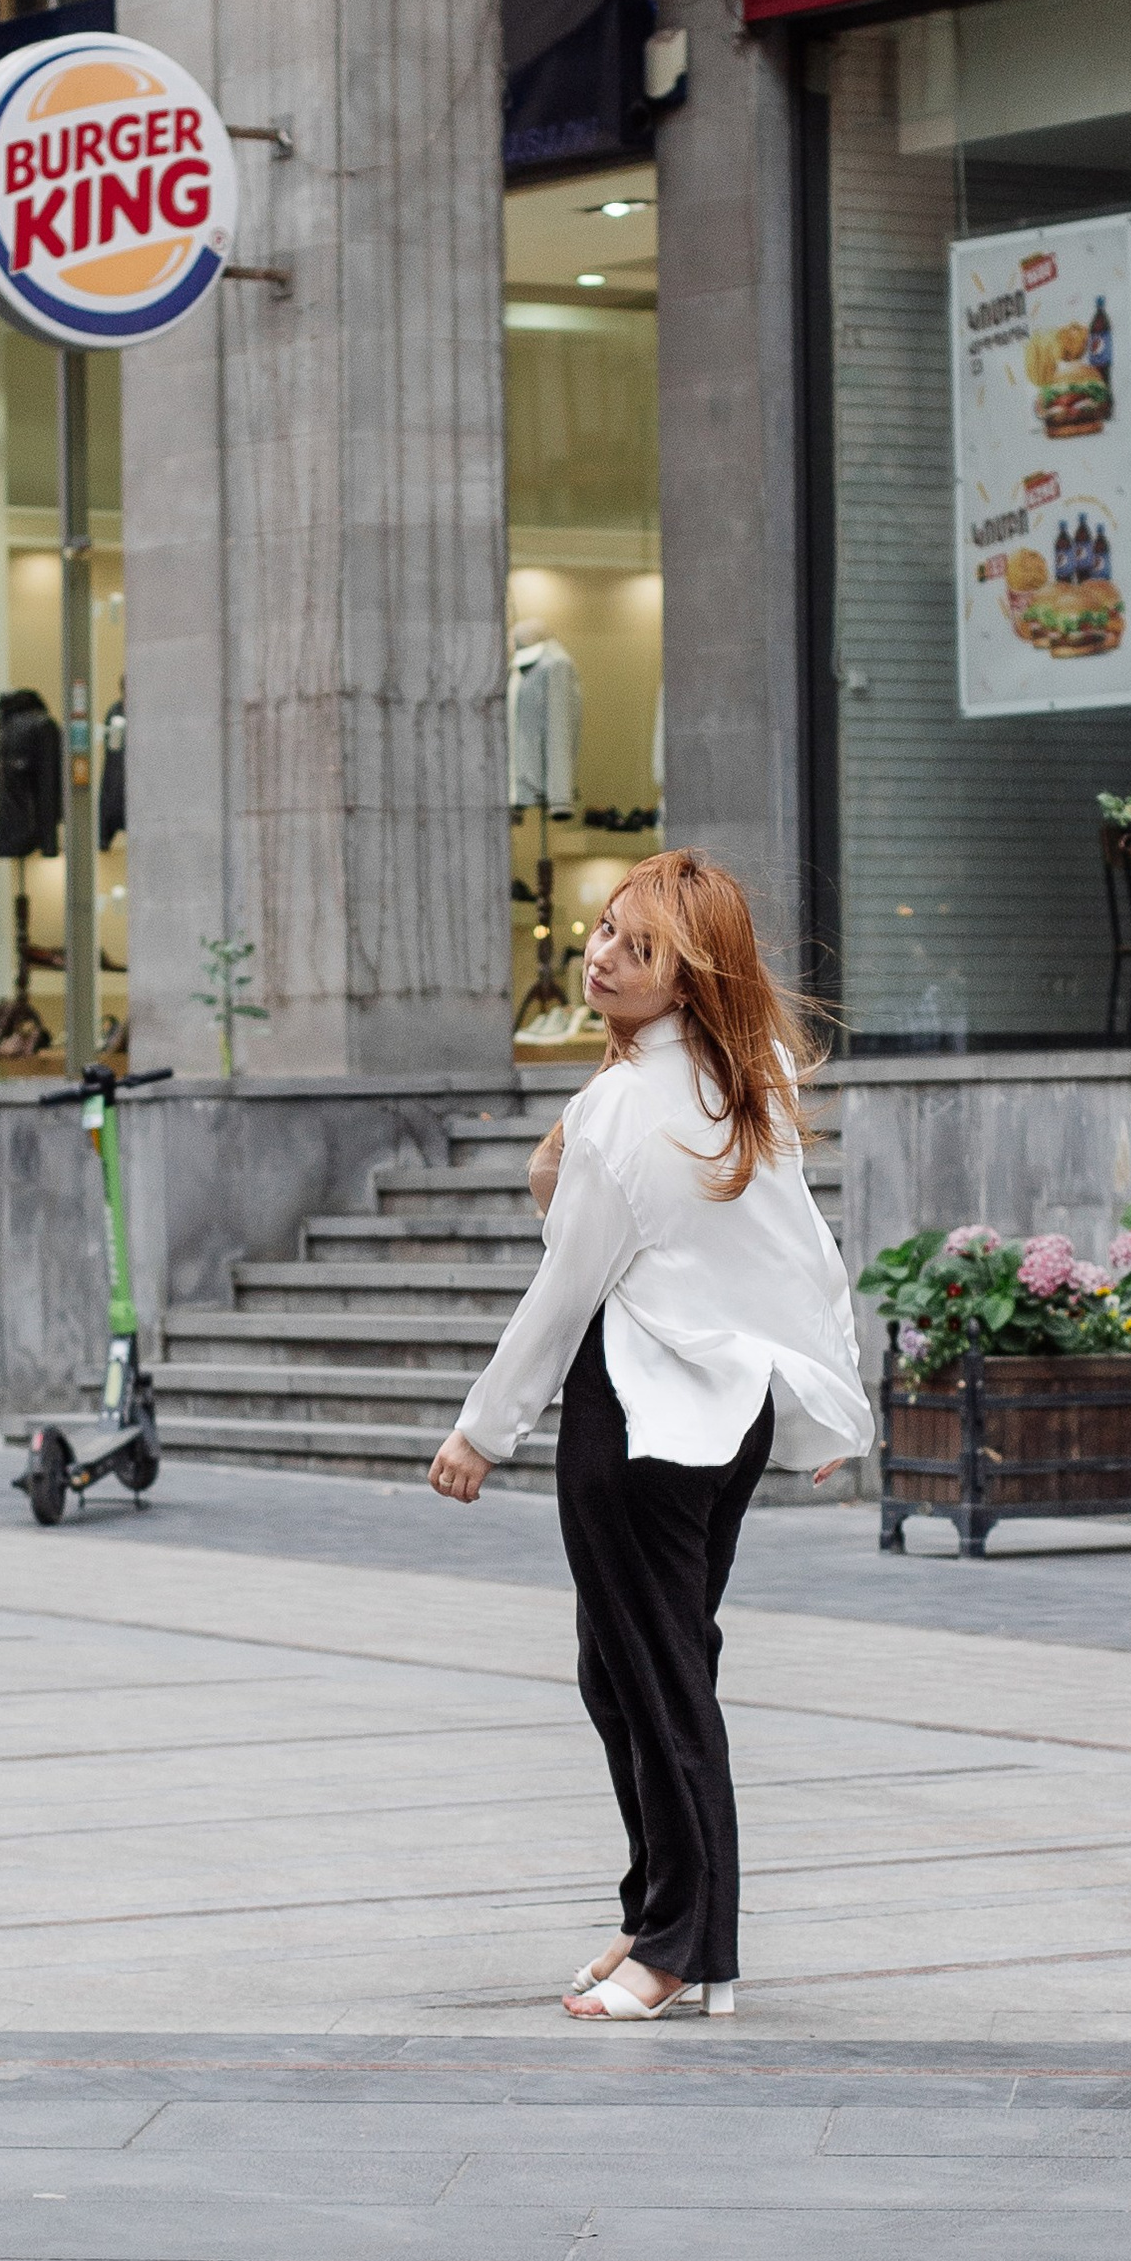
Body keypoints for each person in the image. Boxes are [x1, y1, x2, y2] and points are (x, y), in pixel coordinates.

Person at [428, 851, 870, 2021]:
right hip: (721, 1422)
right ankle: (657, 1911)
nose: (603, 958)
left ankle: (683, 1943)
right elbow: (804, 1258)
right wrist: (829, 1398)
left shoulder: (633, 1101)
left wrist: (483, 1430)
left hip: (635, 1420)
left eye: (638, 948)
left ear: (689, 978)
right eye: (603, 933)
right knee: (631, 1671)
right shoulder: (741, 1079)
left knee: (654, 1678)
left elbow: (567, 1287)